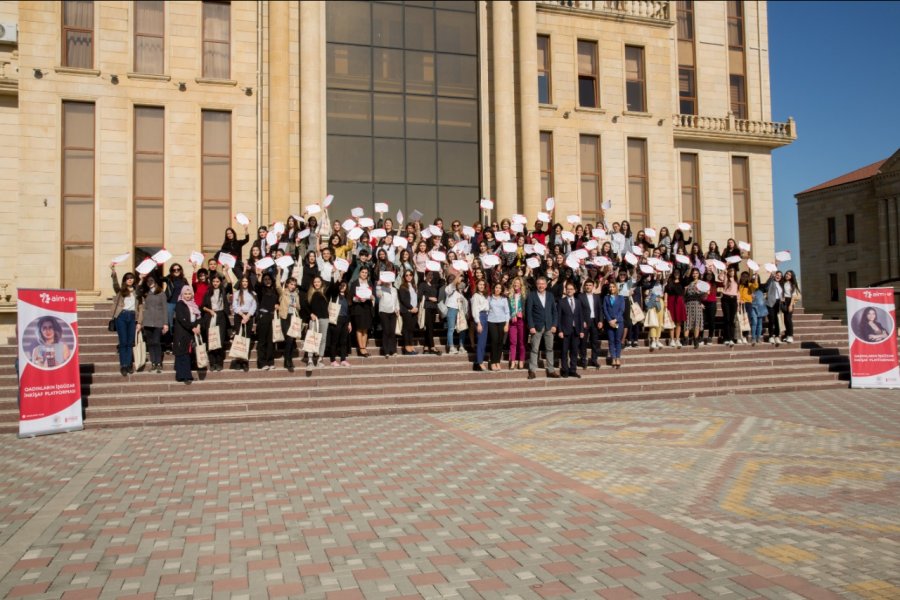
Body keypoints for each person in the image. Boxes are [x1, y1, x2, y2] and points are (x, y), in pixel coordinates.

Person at [526, 276, 560, 379]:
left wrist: (554, 324)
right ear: (536, 285)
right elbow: (528, 313)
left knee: (550, 349)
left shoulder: (550, 295)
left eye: (543, 284)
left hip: (549, 326)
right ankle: (532, 370)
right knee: (534, 349)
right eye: (539, 284)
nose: (541, 285)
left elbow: (554, 311)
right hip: (536, 327)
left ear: (546, 285)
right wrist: (531, 326)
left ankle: (551, 370)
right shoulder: (531, 295)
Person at [111, 266, 140, 376]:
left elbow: (140, 306)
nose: (130, 280)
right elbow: (115, 284)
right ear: (125, 280)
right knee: (123, 342)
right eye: (128, 278)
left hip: (132, 317)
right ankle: (123, 365)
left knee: (130, 342)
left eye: (131, 278)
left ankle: (128, 364)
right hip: (122, 316)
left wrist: (140, 321)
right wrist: (113, 272)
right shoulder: (120, 291)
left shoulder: (137, 291)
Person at [198, 273, 228, 372]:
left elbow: (231, 284)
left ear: (220, 282)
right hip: (210, 316)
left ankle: (219, 363)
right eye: (214, 281)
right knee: (211, 339)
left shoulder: (223, 292)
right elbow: (202, 306)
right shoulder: (208, 293)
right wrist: (210, 311)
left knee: (220, 340)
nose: (215, 283)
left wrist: (226, 271)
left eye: (217, 281)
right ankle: (212, 363)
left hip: (221, 317)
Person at [138, 274, 167, 373]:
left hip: (158, 321)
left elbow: (165, 309)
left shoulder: (161, 293)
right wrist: (141, 280)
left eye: (152, 280)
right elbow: (137, 293)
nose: (150, 282)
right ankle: (153, 362)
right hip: (147, 321)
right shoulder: (146, 293)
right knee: (150, 343)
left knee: (156, 342)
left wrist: (165, 323)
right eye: (148, 281)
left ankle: (159, 362)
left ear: (155, 281)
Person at [173, 286, 201, 384]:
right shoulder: (180, 304)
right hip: (182, 332)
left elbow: (197, 317)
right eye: (185, 294)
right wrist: (192, 327)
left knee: (187, 353)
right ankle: (184, 376)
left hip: (190, 332)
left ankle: (184, 375)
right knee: (182, 354)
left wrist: (197, 326)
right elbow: (182, 318)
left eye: (189, 294)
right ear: (182, 294)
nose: (187, 296)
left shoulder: (193, 304)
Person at [557, 280, 585, 378]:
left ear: (575, 290)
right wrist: (559, 330)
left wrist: (581, 330)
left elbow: (581, 317)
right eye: (567, 289)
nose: (569, 291)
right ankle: (564, 370)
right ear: (565, 290)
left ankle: (573, 370)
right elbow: (558, 317)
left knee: (574, 351)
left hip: (576, 330)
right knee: (564, 351)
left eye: (571, 289)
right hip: (565, 330)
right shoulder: (561, 302)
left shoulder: (578, 301)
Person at [303, 275, 331, 370]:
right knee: (312, 338)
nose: (316, 283)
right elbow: (304, 306)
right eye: (315, 282)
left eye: (318, 281)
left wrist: (339, 274)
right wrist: (310, 314)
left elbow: (334, 287)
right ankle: (310, 360)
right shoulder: (310, 293)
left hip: (324, 318)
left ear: (321, 282)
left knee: (322, 339)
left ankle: (320, 359)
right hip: (314, 319)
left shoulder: (325, 292)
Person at [231, 275, 257, 371]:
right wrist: (242, 315)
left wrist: (248, 316)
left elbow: (254, 306)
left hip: (248, 317)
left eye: (246, 281)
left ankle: (245, 361)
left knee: (246, 338)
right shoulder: (237, 293)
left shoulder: (253, 293)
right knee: (239, 337)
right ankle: (238, 360)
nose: (245, 283)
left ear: (248, 283)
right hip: (239, 316)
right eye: (243, 281)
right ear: (241, 283)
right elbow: (234, 306)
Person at [277, 275, 301, 372]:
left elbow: (299, 307)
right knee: (289, 338)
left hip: (293, 317)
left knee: (291, 339)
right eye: (291, 284)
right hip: (285, 317)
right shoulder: (283, 293)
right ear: (287, 284)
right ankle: (288, 359)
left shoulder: (296, 294)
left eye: (294, 285)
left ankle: (288, 359)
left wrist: (296, 305)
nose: (293, 286)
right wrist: (279, 271)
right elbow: (277, 285)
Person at [349, 266, 374, 357]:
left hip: (367, 308)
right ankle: (361, 348)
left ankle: (364, 347)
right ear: (359, 273)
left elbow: (373, 295)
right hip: (358, 308)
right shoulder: (355, 283)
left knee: (366, 329)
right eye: (363, 272)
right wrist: (359, 299)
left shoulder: (370, 283)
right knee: (359, 328)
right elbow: (351, 297)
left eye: (366, 272)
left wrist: (372, 297)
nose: (364, 274)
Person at [327, 280, 352, 366]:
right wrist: (339, 278)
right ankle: (333, 360)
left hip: (345, 320)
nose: (342, 287)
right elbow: (333, 288)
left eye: (344, 286)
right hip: (336, 319)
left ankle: (343, 359)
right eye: (341, 285)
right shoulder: (335, 295)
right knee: (334, 340)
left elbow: (349, 311)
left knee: (343, 341)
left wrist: (349, 323)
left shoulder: (347, 297)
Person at [602, 281, 626, 369]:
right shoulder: (606, 298)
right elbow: (605, 309)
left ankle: (618, 358)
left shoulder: (621, 298)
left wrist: (615, 320)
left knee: (617, 341)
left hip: (619, 322)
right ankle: (613, 358)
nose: (611, 288)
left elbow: (622, 310)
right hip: (609, 323)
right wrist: (609, 320)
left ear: (616, 288)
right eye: (610, 287)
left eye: (613, 287)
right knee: (611, 341)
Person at [487, 283, 510, 371]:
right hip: (492, 321)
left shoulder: (504, 299)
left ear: (501, 290)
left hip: (502, 322)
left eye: (499, 288)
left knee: (500, 342)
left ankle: (497, 362)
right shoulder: (489, 298)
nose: (497, 289)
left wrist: (507, 324)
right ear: (494, 288)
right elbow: (486, 309)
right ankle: (493, 362)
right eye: (496, 287)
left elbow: (507, 312)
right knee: (494, 341)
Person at [579, 279, 602, 368]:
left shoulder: (597, 297)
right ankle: (583, 360)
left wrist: (600, 321)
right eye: (587, 285)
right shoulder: (580, 297)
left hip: (595, 322)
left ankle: (594, 359)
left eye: (590, 285)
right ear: (584, 287)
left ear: (593, 287)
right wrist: (582, 321)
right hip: (585, 322)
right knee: (583, 342)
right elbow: (579, 311)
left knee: (594, 342)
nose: (588, 287)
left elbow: (600, 309)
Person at [418, 270, 442, 355]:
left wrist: (441, 273)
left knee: (430, 327)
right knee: (429, 327)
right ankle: (432, 346)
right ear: (425, 275)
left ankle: (426, 346)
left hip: (433, 308)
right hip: (426, 308)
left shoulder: (434, 285)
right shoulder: (422, 284)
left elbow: (442, 283)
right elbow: (420, 295)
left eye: (432, 275)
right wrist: (429, 298)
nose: (430, 276)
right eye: (429, 275)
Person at [376, 276, 399, 358]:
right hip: (384, 311)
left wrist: (397, 308)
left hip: (393, 312)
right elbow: (378, 295)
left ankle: (393, 350)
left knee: (392, 331)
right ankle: (386, 351)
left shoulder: (394, 289)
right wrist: (378, 285)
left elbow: (396, 300)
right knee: (386, 331)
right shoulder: (381, 288)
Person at [397, 270, 419, 355]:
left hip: (414, 311)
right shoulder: (402, 287)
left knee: (411, 329)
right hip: (407, 311)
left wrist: (416, 308)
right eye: (406, 275)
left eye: (410, 275)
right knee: (406, 329)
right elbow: (403, 300)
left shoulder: (414, 286)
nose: (409, 276)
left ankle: (411, 346)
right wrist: (411, 308)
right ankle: (407, 348)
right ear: (404, 277)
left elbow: (416, 299)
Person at [442, 274, 465, 355]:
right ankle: (451, 347)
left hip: (460, 310)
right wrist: (458, 273)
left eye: (453, 278)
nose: (452, 280)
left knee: (462, 328)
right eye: (450, 279)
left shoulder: (460, 290)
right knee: (451, 329)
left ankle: (461, 346)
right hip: (451, 309)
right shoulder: (448, 288)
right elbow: (453, 284)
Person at [470, 280, 489, 371]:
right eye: (480, 284)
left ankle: (478, 362)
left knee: (484, 342)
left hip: (486, 317)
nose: (482, 286)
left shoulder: (485, 296)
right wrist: (478, 323)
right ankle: (479, 363)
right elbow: (475, 310)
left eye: (483, 285)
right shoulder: (475, 296)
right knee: (481, 342)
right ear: (477, 286)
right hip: (480, 317)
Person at [507, 277, 527, 370]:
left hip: (521, 320)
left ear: (521, 284)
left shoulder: (524, 295)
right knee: (512, 342)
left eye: (518, 283)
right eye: (515, 283)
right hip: (512, 321)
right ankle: (513, 361)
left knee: (521, 342)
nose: (516, 285)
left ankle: (521, 360)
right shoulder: (509, 295)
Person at [684, 268, 705, 348]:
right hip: (688, 304)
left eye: (696, 273)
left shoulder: (701, 283)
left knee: (696, 321)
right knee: (687, 321)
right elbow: (685, 295)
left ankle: (696, 339)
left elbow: (704, 296)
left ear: (698, 274)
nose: (695, 274)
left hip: (697, 303)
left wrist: (702, 299)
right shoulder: (689, 283)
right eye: (693, 273)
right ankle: (686, 339)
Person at [738, 271, 759, 346]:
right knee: (739, 320)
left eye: (746, 276)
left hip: (748, 303)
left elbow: (755, 286)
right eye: (743, 276)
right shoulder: (739, 285)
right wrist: (739, 300)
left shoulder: (749, 285)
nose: (744, 277)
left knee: (747, 320)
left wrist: (756, 276)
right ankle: (739, 335)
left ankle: (745, 336)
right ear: (741, 277)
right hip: (740, 303)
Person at [763, 270, 783, 346]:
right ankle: (771, 336)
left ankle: (777, 336)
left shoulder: (781, 284)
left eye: (780, 276)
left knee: (777, 320)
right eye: (777, 275)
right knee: (771, 319)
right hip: (771, 303)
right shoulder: (771, 282)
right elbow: (766, 287)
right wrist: (770, 277)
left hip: (778, 303)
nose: (779, 277)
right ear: (775, 275)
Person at [720, 268, 739, 347]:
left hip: (734, 299)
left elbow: (737, 292)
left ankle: (731, 338)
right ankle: (726, 338)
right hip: (726, 299)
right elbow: (720, 277)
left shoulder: (736, 280)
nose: (732, 272)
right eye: (730, 271)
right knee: (727, 318)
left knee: (732, 319)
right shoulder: (726, 278)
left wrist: (738, 301)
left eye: (733, 271)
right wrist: (723, 271)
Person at [781, 270, 800, 343]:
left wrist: (791, 305)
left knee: (789, 319)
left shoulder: (792, 284)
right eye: (786, 274)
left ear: (791, 277)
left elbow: (793, 295)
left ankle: (790, 336)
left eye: (789, 275)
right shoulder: (783, 283)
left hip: (789, 301)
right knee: (785, 320)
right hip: (783, 301)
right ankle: (786, 335)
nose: (787, 275)